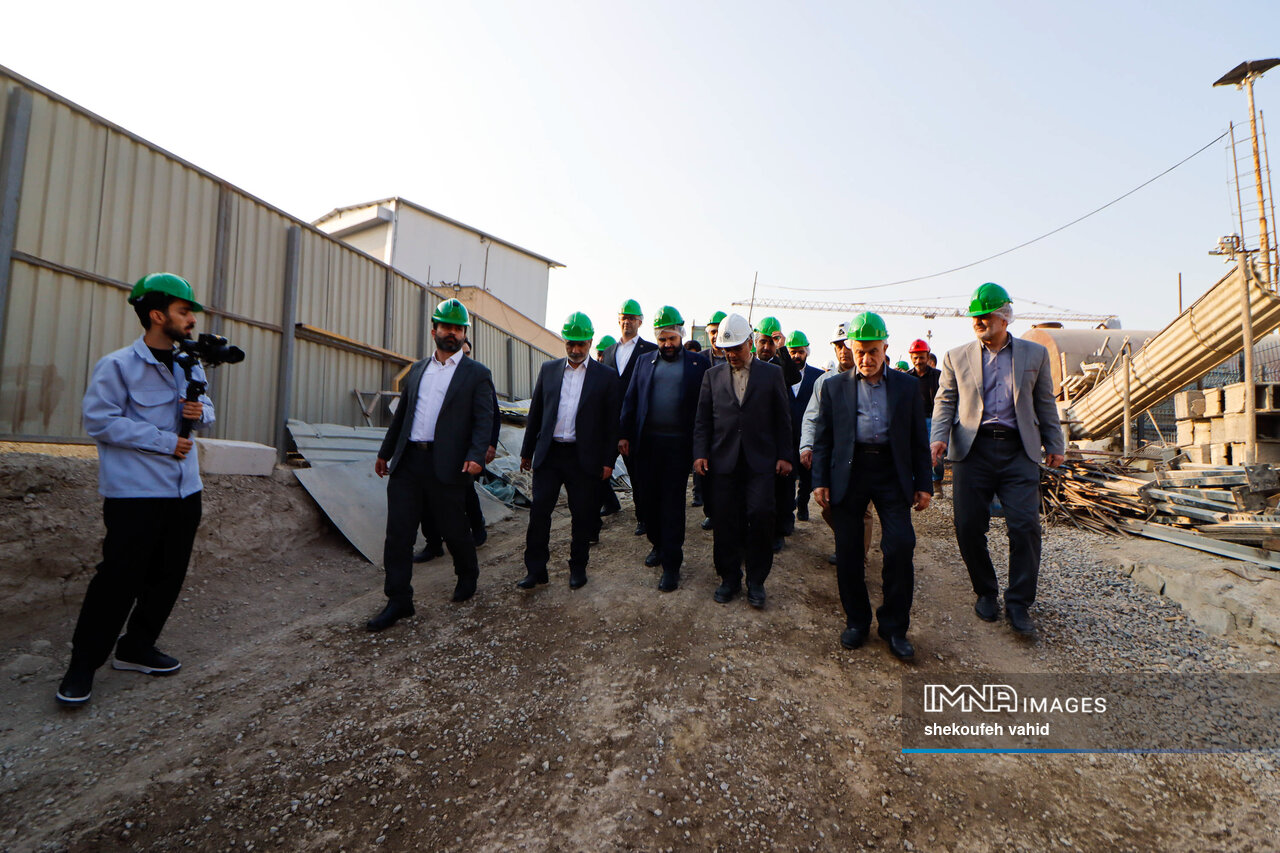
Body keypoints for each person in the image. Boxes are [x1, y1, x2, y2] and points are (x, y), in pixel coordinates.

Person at [56, 273, 217, 706]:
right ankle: (82, 666)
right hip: (136, 495)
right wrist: (165, 441)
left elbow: (207, 411)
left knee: (168, 575)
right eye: (184, 311)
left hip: (185, 492)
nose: (191, 319)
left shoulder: (190, 363)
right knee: (118, 580)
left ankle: (136, 647)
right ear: (157, 315)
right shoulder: (118, 366)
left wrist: (198, 412)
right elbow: (100, 421)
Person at [931, 283, 1064, 637]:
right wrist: (938, 438)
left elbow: (1045, 403)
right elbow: (945, 402)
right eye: (975, 316)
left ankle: (1019, 602)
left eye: (985, 316)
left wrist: (1055, 443)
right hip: (972, 451)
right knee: (968, 525)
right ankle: (986, 591)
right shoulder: (955, 357)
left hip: (1018, 451)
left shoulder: (1034, 355)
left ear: (1004, 318)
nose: (978, 321)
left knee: (1025, 527)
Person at [369, 298, 495, 632]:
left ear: (464, 333)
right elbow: (402, 416)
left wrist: (476, 454)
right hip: (409, 462)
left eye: (457, 329)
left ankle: (467, 574)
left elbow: (483, 419)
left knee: (454, 528)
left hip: (449, 464)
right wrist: (385, 452)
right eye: (446, 327)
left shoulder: (476, 374)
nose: (452, 333)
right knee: (399, 534)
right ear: (434, 330)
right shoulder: (417, 370)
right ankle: (399, 600)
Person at [812, 312, 932, 661]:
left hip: (892, 472)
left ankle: (894, 627)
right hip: (851, 473)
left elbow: (917, 439)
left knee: (900, 546)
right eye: (859, 352)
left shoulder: (906, 387)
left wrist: (924, 483)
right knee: (849, 550)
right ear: (851, 349)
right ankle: (857, 621)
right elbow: (824, 439)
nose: (866, 359)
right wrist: (820, 480)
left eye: (873, 351)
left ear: (885, 348)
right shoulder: (834, 387)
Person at [693, 313, 793, 609]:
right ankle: (729, 578)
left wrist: (785, 455)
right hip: (723, 462)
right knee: (725, 521)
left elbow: (783, 418)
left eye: (736, 348)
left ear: (750, 342)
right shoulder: (712, 377)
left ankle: (756, 581)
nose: (731, 354)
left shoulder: (771, 375)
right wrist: (700, 453)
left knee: (761, 517)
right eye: (727, 350)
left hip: (760, 462)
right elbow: (703, 420)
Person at [518, 313, 621, 590]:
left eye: (581, 344)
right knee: (539, 513)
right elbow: (536, 413)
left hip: (583, 458)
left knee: (582, 515)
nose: (575, 350)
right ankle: (535, 570)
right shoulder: (549, 370)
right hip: (550, 455)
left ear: (590, 341)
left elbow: (612, 424)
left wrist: (608, 461)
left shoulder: (606, 377)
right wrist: (527, 452)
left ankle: (578, 568)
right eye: (570, 344)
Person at [619, 306, 710, 591]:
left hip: (678, 448)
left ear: (680, 335)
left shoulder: (697, 365)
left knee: (672, 505)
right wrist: (624, 434)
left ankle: (672, 564)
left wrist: (702, 447)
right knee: (648, 502)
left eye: (672, 339)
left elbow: (705, 408)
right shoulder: (644, 362)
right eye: (662, 339)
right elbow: (631, 399)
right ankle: (657, 545)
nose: (667, 344)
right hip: (647, 445)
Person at [414, 337, 500, 561]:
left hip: (465, 450)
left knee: (465, 493)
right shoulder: (437, 377)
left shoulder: (477, 377)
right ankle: (433, 544)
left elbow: (491, 414)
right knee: (426, 497)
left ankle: (477, 529)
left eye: (467, 353)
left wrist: (489, 445)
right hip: (434, 449)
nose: (463, 356)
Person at [799, 322, 875, 566]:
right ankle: (847, 540)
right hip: (834, 456)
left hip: (864, 457)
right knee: (829, 505)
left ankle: (858, 557)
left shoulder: (871, 378)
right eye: (838, 346)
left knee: (863, 509)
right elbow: (812, 416)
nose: (843, 351)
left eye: (846, 345)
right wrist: (806, 446)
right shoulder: (824, 382)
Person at [599, 299, 658, 536]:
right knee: (599, 466)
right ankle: (610, 502)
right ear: (618, 320)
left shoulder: (650, 350)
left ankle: (643, 517)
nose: (627, 322)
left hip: (636, 425)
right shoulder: (609, 352)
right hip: (610, 423)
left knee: (638, 475)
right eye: (624, 318)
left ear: (640, 322)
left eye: (632, 318)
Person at [752, 317, 803, 551]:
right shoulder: (749, 364)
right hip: (756, 436)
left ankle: (780, 531)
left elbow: (794, 377)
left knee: (782, 488)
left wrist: (782, 349)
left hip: (780, 435)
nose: (766, 347)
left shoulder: (781, 366)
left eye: (771, 343)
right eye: (762, 342)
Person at [785, 330, 823, 523]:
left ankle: (802, 503)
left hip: (808, 437)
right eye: (792, 352)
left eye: (800, 352)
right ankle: (788, 510)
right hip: (787, 436)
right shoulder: (780, 375)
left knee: (807, 476)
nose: (796, 356)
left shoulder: (818, 376)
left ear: (807, 352)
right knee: (787, 476)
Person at [907, 339, 945, 496]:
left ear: (928, 357)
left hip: (933, 420)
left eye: (921, 357)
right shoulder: (907, 378)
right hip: (913, 421)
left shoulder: (938, 376)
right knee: (912, 453)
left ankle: (936, 483)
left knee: (936, 454)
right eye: (915, 358)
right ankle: (915, 486)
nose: (918, 361)